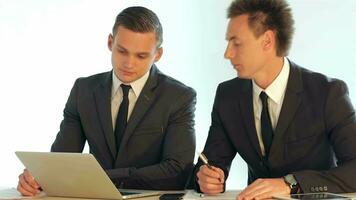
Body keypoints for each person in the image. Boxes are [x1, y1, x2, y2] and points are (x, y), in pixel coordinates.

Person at [17, 6, 196, 196]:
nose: (129, 63)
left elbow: (177, 171)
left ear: (157, 55)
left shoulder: (178, 97)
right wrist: (38, 178)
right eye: (122, 51)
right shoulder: (83, 91)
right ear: (110, 42)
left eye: (141, 56)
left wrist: (104, 176)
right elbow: (62, 160)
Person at [195, 0, 356, 199]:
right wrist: (206, 178)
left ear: (268, 40)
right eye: (228, 43)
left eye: (236, 43)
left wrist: (291, 184)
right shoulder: (228, 95)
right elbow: (210, 163)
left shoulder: (328, 92)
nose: (227, 53)